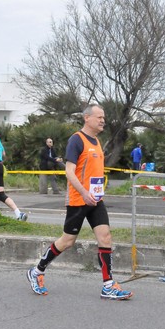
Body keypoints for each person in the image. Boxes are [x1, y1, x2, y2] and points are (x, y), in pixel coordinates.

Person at [26, 104, 133, 300]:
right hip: (78, 199)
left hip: (95, 200)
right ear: (87, 118)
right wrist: (83, 193)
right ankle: (37, 271)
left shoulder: (98, 141)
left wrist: (96, 192)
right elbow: (69, 171)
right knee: (67, 241)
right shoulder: (76, 140)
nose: (103, 120)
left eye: (104, 117)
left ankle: (108, 285)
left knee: (105, 236)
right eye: (99, 117)